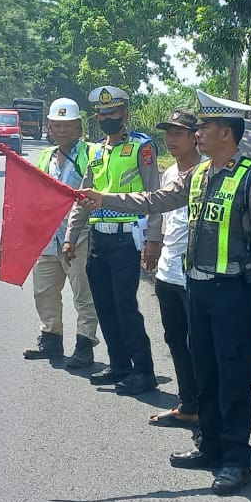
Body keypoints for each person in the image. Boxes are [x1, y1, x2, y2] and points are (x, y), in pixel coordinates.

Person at [75, 90, 251, 497]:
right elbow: (154, 199)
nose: (198, 133)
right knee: (204, 369)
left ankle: (236, 460)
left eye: (204, 127)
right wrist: (104, 199)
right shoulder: (199, 175)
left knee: (233, 376)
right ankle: (210, 446)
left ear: (226, 132)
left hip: (233, 292)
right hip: (199, 288)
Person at [65, 85, 161, 396]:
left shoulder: (141, 148)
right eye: (102, 114)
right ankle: (120, 366)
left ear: (125, 114)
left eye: (113, 113)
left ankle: (143, 371)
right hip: (98, 242)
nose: (107, 118)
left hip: (125, 240)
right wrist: (71, 236)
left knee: (125, 307)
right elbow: (83, 197)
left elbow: (154, 197)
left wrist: (153, 240)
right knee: (105, 306)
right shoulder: (94, 151)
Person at [22, 97, 101, 369]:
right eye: (56, 125)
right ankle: (51, 339)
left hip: (80, 235)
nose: (61, 130)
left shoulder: (91, 153)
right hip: (47, 236)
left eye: (67, 125)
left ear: (79, 127)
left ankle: (84, 345)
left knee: (83, 293)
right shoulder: (45, 156)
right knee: (44, 291)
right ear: (49, 127)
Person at [145, 108, 203, 431]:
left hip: (193, 277)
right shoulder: (169, 175)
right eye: (168, 133)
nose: (170, 139)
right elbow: (164, 219)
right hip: (167, 273)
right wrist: (155, 243)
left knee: (199, 345)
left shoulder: (207, 174)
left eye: (178, 133)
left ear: (196, 136)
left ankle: (206, 410)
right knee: (175, 340)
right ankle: (188, 405)